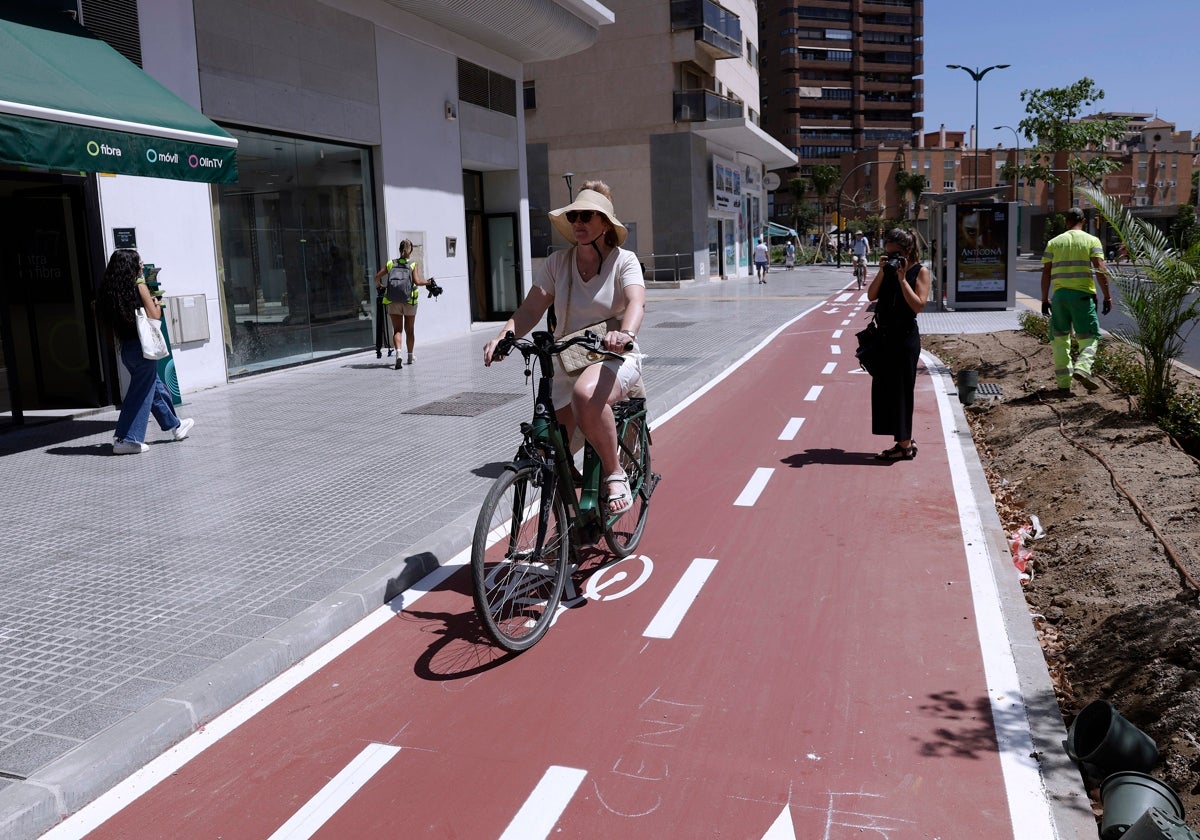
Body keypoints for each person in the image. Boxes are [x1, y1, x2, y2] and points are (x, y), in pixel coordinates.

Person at [483, 181, 645, 515]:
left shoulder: (624, 261)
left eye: (587, 215)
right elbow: (530, 310)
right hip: (568, 358)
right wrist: (504, 336)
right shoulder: (558, 263)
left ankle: (614, 472)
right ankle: (568, 515)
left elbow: (635, 303)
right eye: (573, 216)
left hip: (614, 355)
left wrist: (625, 334)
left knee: (585, 396)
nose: (578, 223)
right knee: (547, 444)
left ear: (606, 224)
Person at [95, 249, 194, 454]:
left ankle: (175, 426)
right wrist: (156, 301)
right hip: (144, 350)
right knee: (139, 395)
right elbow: (155, 316)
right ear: (131, 266)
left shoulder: (109, 292)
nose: (142, 265)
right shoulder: (138, 287)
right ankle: (126, 439)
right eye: (139, 263)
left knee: (155, 389)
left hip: (128, 351)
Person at [866, 228, 930, 460]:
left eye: (895, 254)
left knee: (901, 391)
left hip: (904, 339)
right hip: (884, 337)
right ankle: (903, 439)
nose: (891, 258)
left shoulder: (919, 272)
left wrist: (903, 279)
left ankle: (904, 445)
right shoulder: (888, 271)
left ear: (907, 252)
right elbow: (871, 296)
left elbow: (918, 306)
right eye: (888, 253)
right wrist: (883, 272)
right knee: (884, 390)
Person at [1041, 207, 1112, 393]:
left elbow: (1046, 273)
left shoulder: (1054, 242)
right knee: (1089, 337)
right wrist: (1107, 296)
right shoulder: (1091, 240)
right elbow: (1100, 270)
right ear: (1084, 222)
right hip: (1081, 298)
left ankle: (1064, 385)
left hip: (1059, 298)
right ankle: (1083, 368)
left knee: (1060, 340)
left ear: (1066, 222)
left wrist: (1043, 299)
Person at [374, 239, 432, 369]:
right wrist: (428, 282)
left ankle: (398, 353)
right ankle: (410, 356)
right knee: (409, 330)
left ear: (400, 249)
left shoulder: (391, 263)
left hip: (393, 301)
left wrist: (380, 285)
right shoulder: (412, 264)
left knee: (397, 330)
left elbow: (377, 277)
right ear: (410, 250)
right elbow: (417, 281)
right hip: (409, 301)